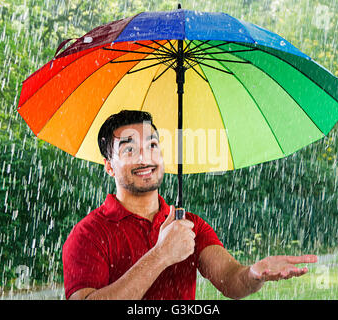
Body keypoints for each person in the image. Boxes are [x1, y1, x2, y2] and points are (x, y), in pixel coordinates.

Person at [62, 110, 317, 300]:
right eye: (130, 150)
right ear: (109, 166)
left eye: (152, 145)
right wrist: (161, 255)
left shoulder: (188, 224)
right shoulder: (87, 235)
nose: (145, 157)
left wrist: (252, 274)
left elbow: (230, 279)